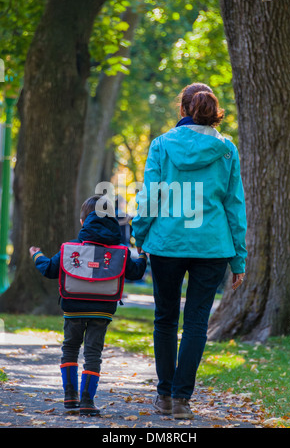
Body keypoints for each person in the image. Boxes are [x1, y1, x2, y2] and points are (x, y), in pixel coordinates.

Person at [132, 83, 247, 419]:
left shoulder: (161, 145)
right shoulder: (227, 150)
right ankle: (182, 400)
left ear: (182, 110)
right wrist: (238, 258)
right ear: (214, 112)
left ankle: (165, 396)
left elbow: (150, 196)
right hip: (212, 247)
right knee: (196, 322)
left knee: (165, 319)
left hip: (167, 244)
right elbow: (234, 206)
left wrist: (140, 235)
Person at [29, 194, 147, 416]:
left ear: (83, 222)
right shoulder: (119, 251)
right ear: (112, 219)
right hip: (102, 309)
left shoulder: (69, 248)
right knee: (93, 352)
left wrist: (37, 255)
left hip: (73, 307)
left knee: (70, 348)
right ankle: (87, 402)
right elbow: (136, 272)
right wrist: (142, 256)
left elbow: (49, 269)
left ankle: (70, 396)